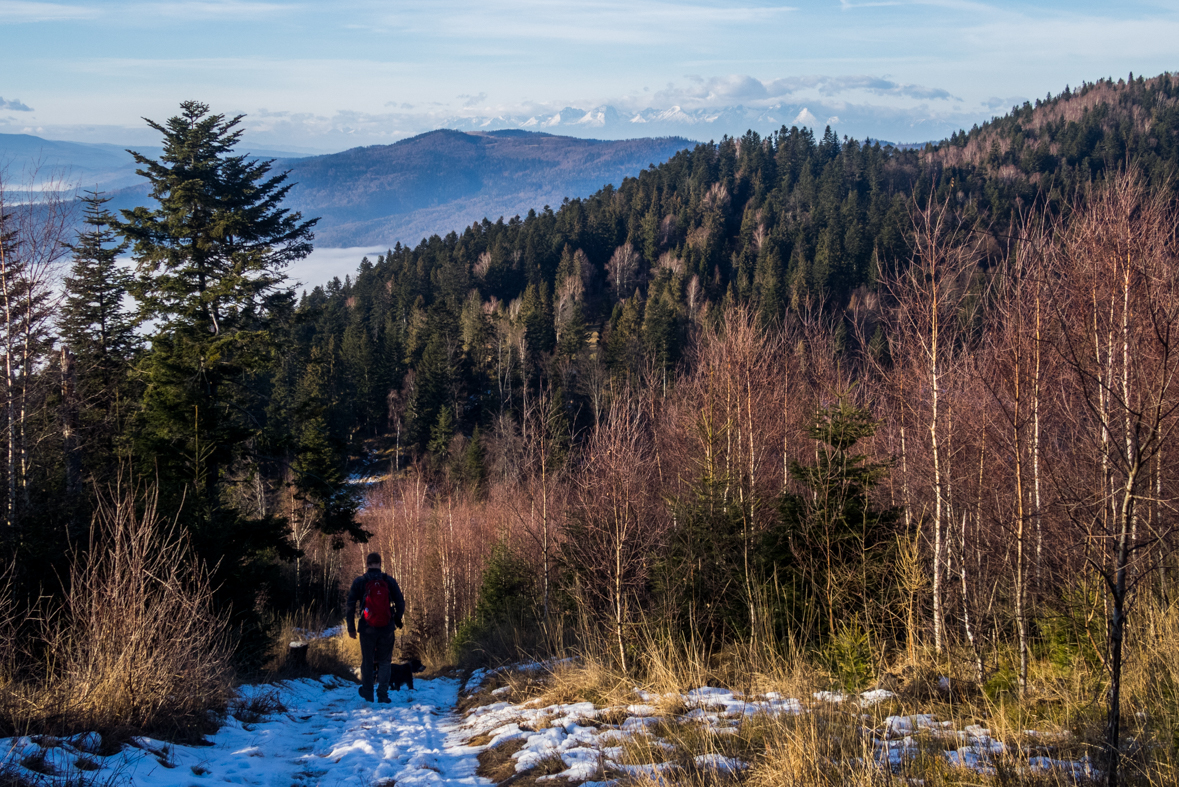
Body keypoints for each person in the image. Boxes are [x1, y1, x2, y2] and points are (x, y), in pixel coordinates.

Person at [346, 552, 406, 702]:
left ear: (367, 564)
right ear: (380, 563)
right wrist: (397, 619)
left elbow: (350, 605)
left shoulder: (360, 581)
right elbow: (400, 603)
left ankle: (367, 692)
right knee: (385, 661)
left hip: (367, 628)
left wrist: (351, 628)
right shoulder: (389, 581)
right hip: (387, 627)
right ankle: (383, 694)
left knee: (367, 660)